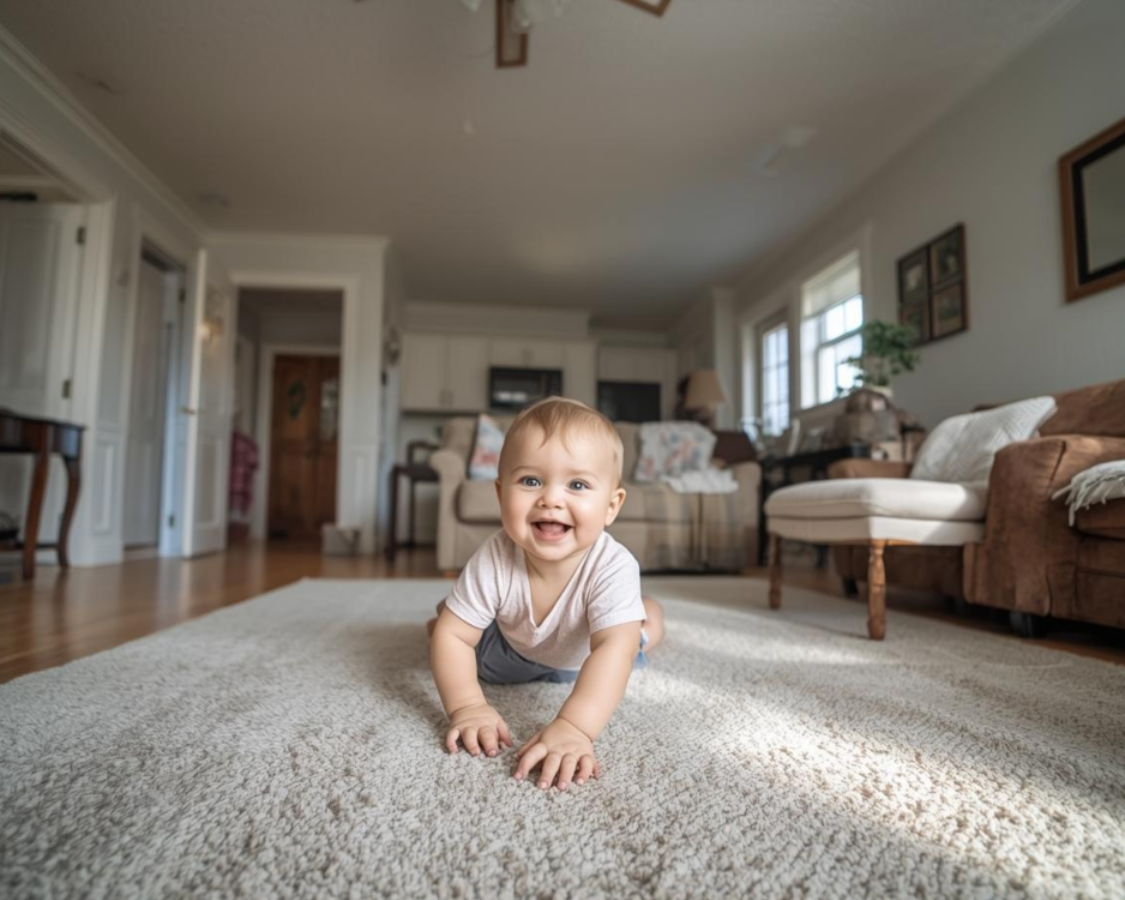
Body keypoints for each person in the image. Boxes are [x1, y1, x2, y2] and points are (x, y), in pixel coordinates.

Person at [428, 397, 664, 791]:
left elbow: (612, 651)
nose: (551, 499)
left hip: (587, 658)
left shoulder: (614, 565)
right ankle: (452, 610)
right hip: (504, 657)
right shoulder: (495, 556)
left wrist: (574, 727)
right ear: (501, 493)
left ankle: (647, 612)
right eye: (531, 481)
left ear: (611, 506)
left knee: (638, 631)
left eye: (577, 484)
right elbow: (454, 638)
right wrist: (468, 706)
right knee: (446, 630)